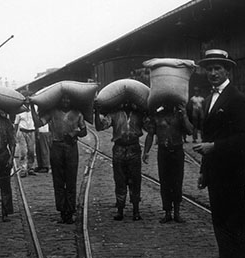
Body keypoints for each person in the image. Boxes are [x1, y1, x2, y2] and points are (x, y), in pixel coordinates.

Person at [193, 49, 245, 258]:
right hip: (215, 174)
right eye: (209, 69)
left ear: (227, 71)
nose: (213, 72)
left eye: (218, 68)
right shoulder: (209, 99)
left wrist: (215, 147)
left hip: (232, 173)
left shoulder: (237, 99)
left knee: (236, 226)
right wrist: (203, 171)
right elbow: (209, 137)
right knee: (220, 225)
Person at [32, 95, 87, 224]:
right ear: (59, 100)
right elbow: (38, 123)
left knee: (71, 181)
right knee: (58, 181)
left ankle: (70, 211)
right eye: (63, 99)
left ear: (71, 100)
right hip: (56, 147)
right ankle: (62, 211)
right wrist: (32, 108)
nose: (65, 101)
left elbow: (84, 131)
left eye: (68, 99)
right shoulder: (52, 113)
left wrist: (76, 133)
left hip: (71, 147)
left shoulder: (77, 113)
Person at [95, 100, 146, 222]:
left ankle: (136, 210)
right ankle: (120, 209)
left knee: (135, 179)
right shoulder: (114, 114)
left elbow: (149, 126)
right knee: (119, 179)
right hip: (119, 148)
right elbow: (100, 126)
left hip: (134, 148)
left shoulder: (139, 115)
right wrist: (96, 112)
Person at [143, 103, 193, 223]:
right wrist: (146, 151)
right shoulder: (157, 116)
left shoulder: (180, 116)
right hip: (163, 152)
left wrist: (185, 115)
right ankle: (167, 212)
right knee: (165, 182)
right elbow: (150, 134)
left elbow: (190, 131)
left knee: (177, 181)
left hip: (177, 151)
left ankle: (177, 212)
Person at [14, 104, 36, 177]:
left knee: (31, 151)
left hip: (31, 131)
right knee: (23, 152)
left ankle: (31, 168)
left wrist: (37, 133)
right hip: (22, 131)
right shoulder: (19, 111)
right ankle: (23, 169)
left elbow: (36, 121)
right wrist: (14, 134)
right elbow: (16, 123)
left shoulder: (34, 109)